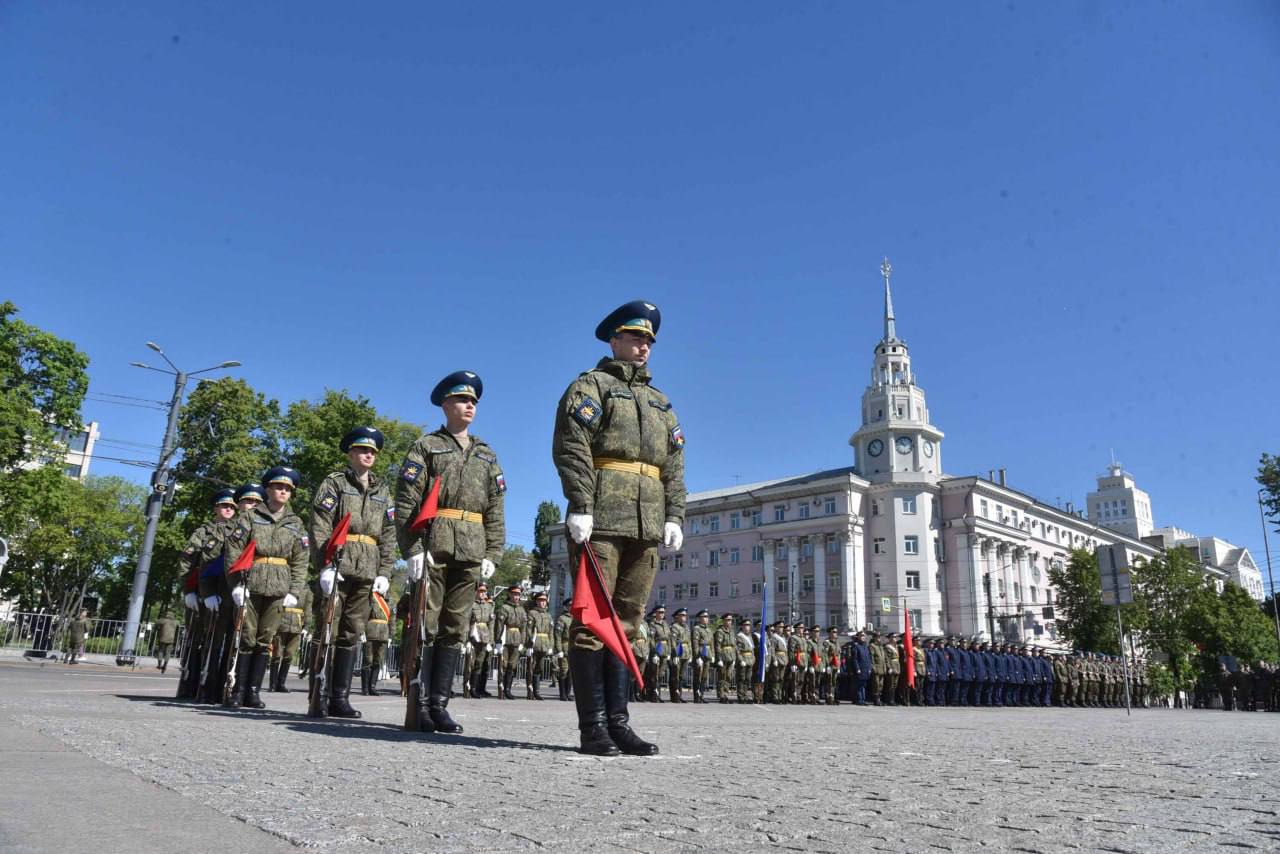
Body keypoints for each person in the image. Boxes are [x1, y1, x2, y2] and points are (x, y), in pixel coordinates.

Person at [553, 300, 686, 756]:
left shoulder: (660, 401)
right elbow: (573, 446)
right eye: (634, 337)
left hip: (646, 521)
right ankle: (593, 727)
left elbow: (674, 464)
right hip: (602, 519)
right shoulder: (591, 386)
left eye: (648, 340)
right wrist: (580, 503)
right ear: (614, 340)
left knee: (628, 623)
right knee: (593, 620)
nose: (643, 346)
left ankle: (619, 722)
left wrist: (675, 514)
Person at [396, 373, 505, 732]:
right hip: (435, 542)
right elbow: (407, 500)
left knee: (455, 626)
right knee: (427, 623)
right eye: (462, 400)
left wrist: (494, 552)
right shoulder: (426, 447)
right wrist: (411, 547)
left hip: (472, 546)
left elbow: (496, 507)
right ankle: (420, 700)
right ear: (445, 405)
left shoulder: (487, 454)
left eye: (473, 401)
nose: (470, 405)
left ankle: (439, 704)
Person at [216, 468, 308, 709]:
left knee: (265, 639)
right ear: (268, 489)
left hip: (279, 587)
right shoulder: (250, 517)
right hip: (251, 582)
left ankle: (254, 691)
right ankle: (238, 690)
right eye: (279, 487)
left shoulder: (295, 523)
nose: (283, 492)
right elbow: (233, 550)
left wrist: (294, 591)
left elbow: (301, 559)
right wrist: (236, 584)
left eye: (288, 489)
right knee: (246, 637)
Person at [178, 488, 239, 699]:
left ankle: (215, 688)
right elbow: (188, 562)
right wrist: (189, 591)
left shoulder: (239, 530)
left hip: (228, 592)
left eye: (232, 506)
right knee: (198, 638)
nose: (229, 509)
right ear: (216, 508)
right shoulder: (203, 532)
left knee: (223, 641)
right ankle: (190, 686)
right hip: (202, 592)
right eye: (225, 505)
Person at [271, 582, 311, 693]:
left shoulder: (306, 589)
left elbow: (308, 608)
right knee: (277, 653)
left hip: (296, 626)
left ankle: (281, 683)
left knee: (289, 654)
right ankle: (273, 683)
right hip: (281, 622)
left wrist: (307, 625)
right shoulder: (285, 584)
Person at [493, 584, 526, 700]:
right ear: (509, 594)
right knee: (503, 665)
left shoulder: (521, 609)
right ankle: (501, 688)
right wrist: (497, 641)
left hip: (516, 640)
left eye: (518, 594)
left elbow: (523, 627)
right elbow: (499, 626)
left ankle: (508, 689)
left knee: (512, 666)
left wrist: (522, 642)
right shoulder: (504, 608)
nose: (516, 597)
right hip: (505, 639)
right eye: (514, 594)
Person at [362, 586, 392, 696]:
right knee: (367, 660)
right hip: (370, 631)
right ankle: (365, 688)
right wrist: (362, 631)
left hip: (384, 633)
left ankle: (372, 687)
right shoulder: (372, 597)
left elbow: (392, 618)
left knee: (378, 661)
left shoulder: (389, 600)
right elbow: (364, 614)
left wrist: (391, 635)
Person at [468, 584, 496, 699]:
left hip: (484, 637)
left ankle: (475, 689)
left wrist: (491, 640)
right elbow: (466, 622)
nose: (482, 593)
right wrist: (466, 640)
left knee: (479, 663)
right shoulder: (471, 605)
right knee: (470, 664)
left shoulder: (488, 606)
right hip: (473, 636)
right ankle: (468, 687)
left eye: (484, 592)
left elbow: (491, 624)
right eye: (480, 591)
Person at [525, 591, 553, 700]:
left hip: (544, 643)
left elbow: (551, 632)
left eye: (544, 601)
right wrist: (529, 645)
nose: (542, 603)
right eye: (540, 600)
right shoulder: (532, 613)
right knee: (531, 668)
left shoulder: (548, 615)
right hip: (535, 643)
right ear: (536, 602)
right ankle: (530, 690)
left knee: (539, 668)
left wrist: (550, 646)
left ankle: (537, 691)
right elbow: (529, 630)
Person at [645, 605, 670, 703]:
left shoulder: (665, 624)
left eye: (663, 612)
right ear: (655, 613)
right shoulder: (653, 625)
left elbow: (669, 639)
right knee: (654, 674)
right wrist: (654, 653)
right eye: (660, 612)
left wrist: (669, 652)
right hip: (657, 650)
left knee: (660, 674)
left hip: (664, 651)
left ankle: (657, 694)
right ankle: (653, 695)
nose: (662, 614)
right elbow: (651, 640)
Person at [668, 607, 691, 703]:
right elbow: (673, 642)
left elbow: (689, 642)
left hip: (685, 653)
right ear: (677, 617)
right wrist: (675, 655)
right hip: (678, 651)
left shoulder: (686, 627)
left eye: (685, 615)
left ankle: (679, 694)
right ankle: (675, 696)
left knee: (681, 676)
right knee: (675, 675)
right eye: (682, 615)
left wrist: (690, 654)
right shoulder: (675, 627)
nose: (684, 617)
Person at [691, 609, 715, 703]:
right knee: (698, 675)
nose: (706, 619)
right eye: (704, 617)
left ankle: (702, 694)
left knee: (705, 676)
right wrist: (697, 657)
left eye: (707, 617)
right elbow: (695, 643)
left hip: (708, 654)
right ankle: (697, 696)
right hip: (700, 653)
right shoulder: (697, 629)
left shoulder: (709, 630)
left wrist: (713, 655)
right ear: (700, 618)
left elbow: (712, 643)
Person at [714, 612, 737, 704]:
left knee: (728, 677)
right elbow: (718, 646)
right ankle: (721, 696)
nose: (729, 622)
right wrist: (719, 659)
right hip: (723, 656)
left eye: (731, 620)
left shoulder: (732, 631)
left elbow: (734, 645)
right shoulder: (720, 631)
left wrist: (734, 658)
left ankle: (726, 694)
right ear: (723, 621)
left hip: (731, 656)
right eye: (728, 620)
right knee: (722, 677)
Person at [553, 597, 574, 701]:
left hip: (573, 647)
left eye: (572, 605)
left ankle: (568, 693)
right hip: (564, 647)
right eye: (569, 606)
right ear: (566, 607)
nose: (571, 607)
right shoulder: (562, 619)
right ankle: (562, 694)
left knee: (571, 672)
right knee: (564, 671)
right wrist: (559, 650)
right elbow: (557, 635)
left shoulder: (576, 618)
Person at [735, 618, 757, 704]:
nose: (748, 627)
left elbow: (752, 650)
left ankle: (745, 694)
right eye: (746, 625)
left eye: (749, 625)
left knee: (748, 679)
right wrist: (740, 660)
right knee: (741, 678)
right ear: (742, 627)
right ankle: (741, 696)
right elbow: (737, 650)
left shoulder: (750, 637)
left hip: (750, 660)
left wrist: (753, 658)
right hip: (743, 659)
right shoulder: (739, 636)